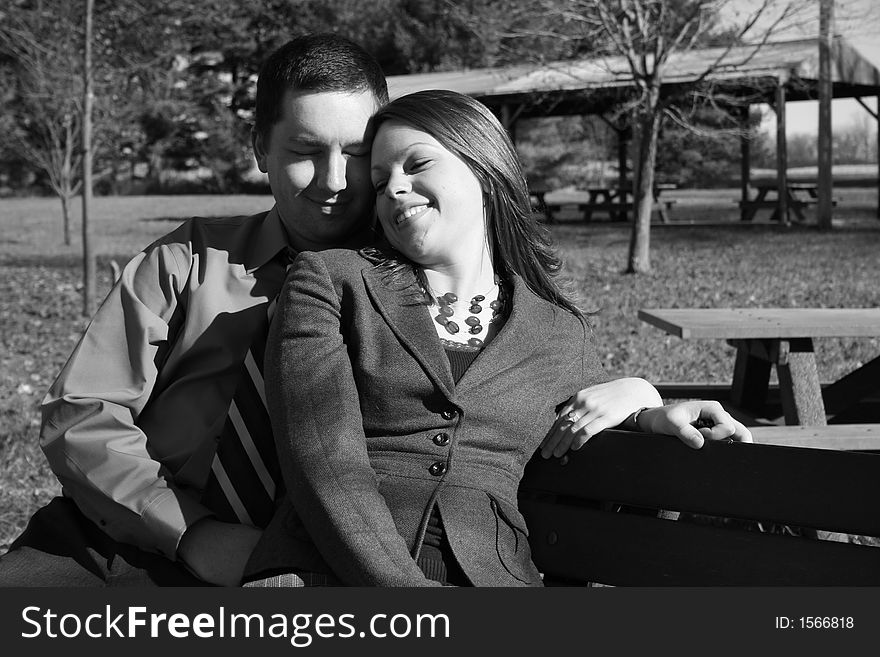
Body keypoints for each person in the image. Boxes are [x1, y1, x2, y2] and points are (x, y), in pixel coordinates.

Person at [242, 90, 752, 587]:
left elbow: (583, 419)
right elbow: (323, 459)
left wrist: (645, 404)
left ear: (484, 169)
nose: (394, 189)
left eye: (416, 165)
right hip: (321, 573)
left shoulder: (555, 330)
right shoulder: (331, 282)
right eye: (380, 183)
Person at [0, 33, 388, 587]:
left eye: (356, 154)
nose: (334, 180)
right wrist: (193, 533)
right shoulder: (184, 260)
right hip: (130, 533)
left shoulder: (414, 281)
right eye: (305, 152)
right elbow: (83, 412)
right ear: (260, 150)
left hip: (313, 557)